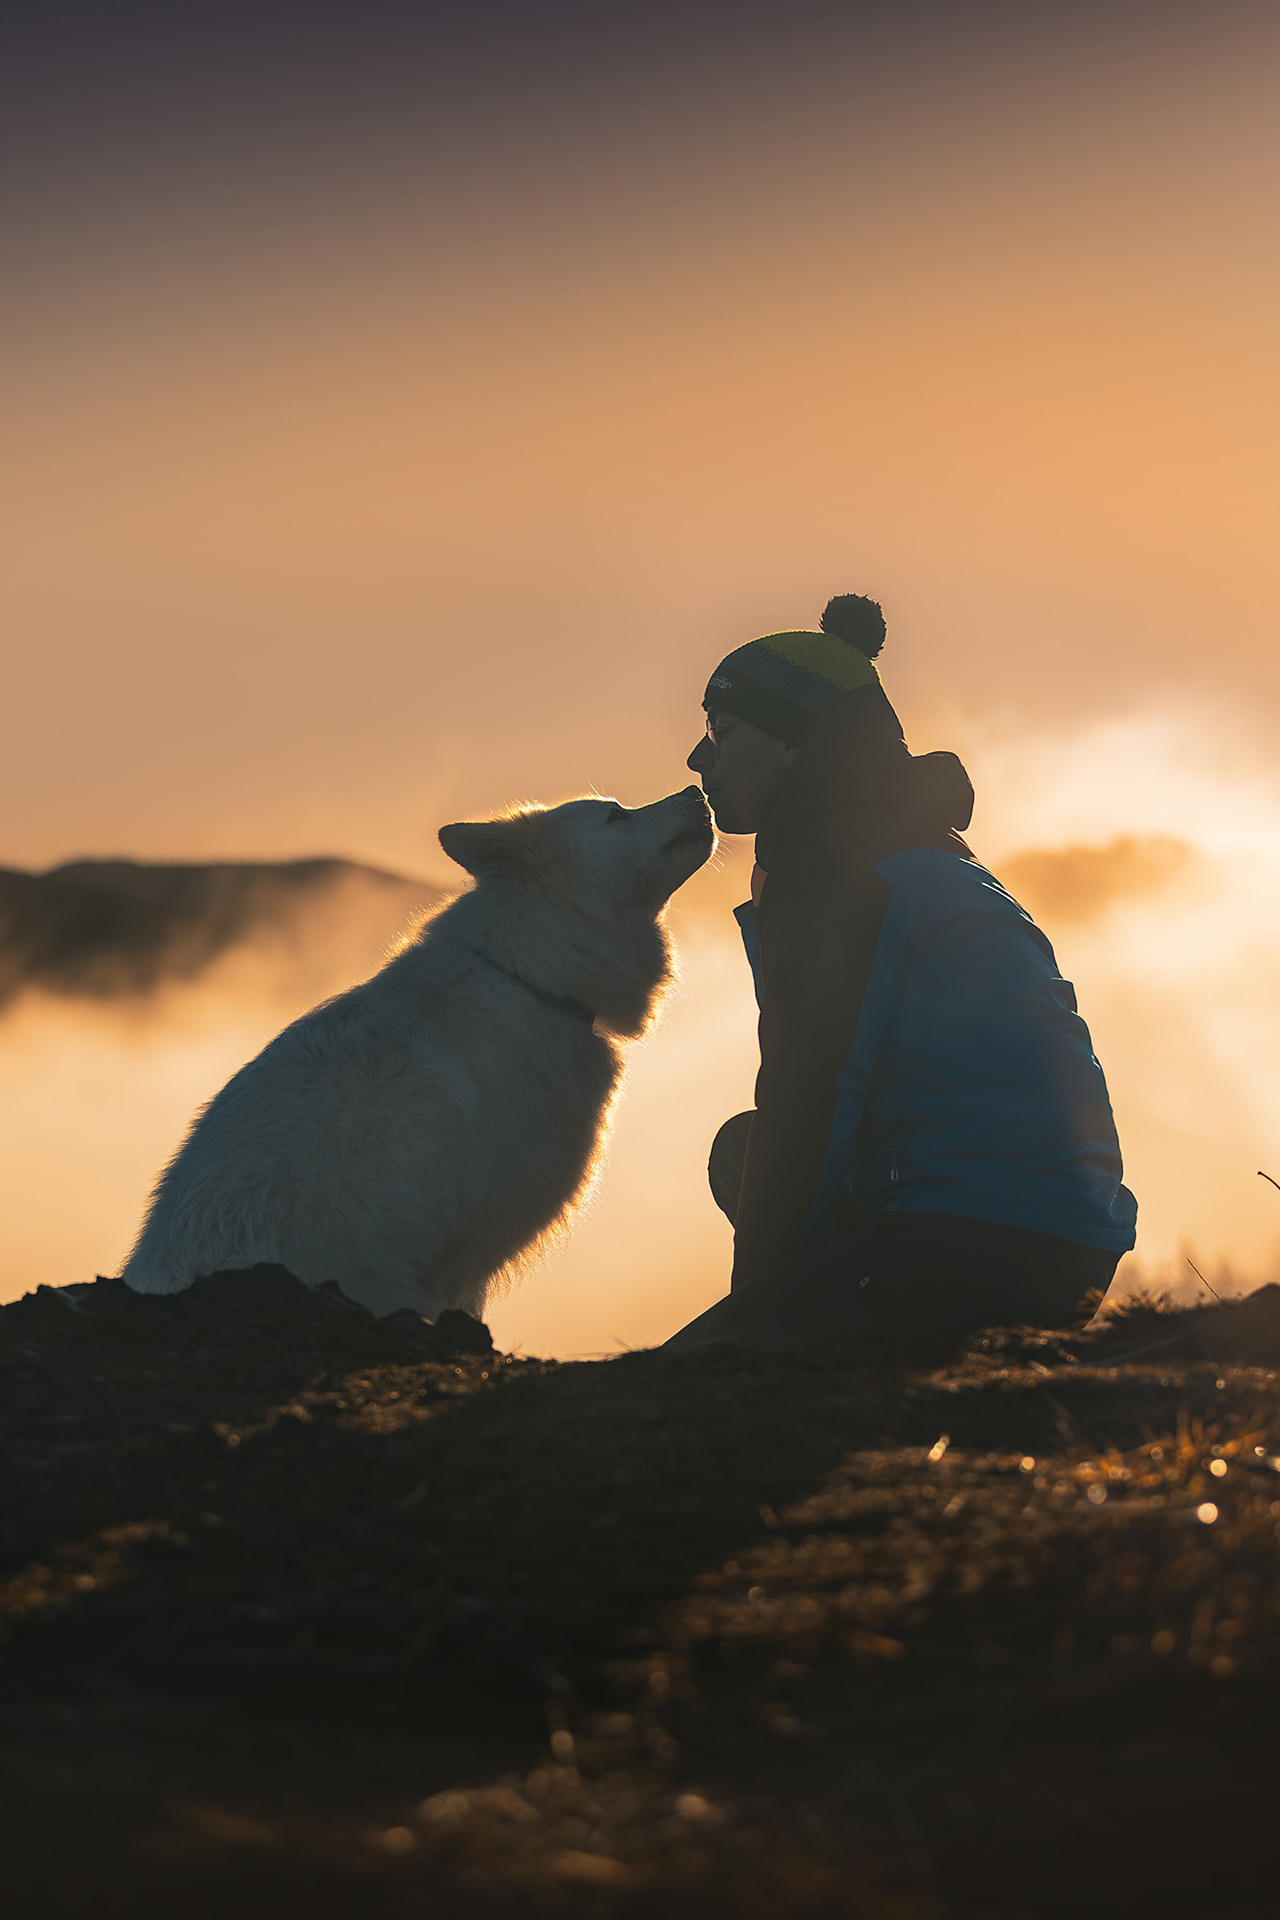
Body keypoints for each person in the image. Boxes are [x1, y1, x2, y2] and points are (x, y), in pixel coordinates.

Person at [665, 593, 1137, 1350]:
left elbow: (811, 1091)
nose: (698, 757)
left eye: (721, 731)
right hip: (1060, 1238)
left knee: (685, 1375)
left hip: (975, 1241)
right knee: (742, 1153)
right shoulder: (912, 845)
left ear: (794, 742)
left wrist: (751, 1316)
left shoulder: (839, 864)